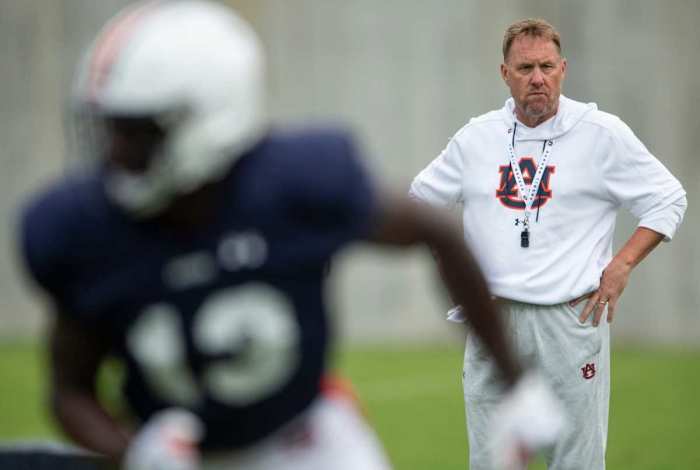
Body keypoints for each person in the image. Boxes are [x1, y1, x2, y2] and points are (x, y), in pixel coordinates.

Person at [17, 3, 563, 470]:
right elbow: (71, 390)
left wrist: (517, 386)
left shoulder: (291, 186)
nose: (115, 152)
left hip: (307, 441)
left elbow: (435, 231)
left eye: (138, 131)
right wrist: (131, 451)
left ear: (211, 119)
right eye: (111, 127)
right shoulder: (81, 230)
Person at [409, 17, 687, 470]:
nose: (537, 78)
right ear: (504, 74)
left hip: (570, 319)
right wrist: (452, 267)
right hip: (493, 319)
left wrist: (622, 265)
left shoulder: (602, 133)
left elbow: (668, 198)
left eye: (546, 66)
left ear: (563, 69)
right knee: (491, 462)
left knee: (575, 462)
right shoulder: (477, 137)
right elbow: (418, 203)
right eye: (524, 68)